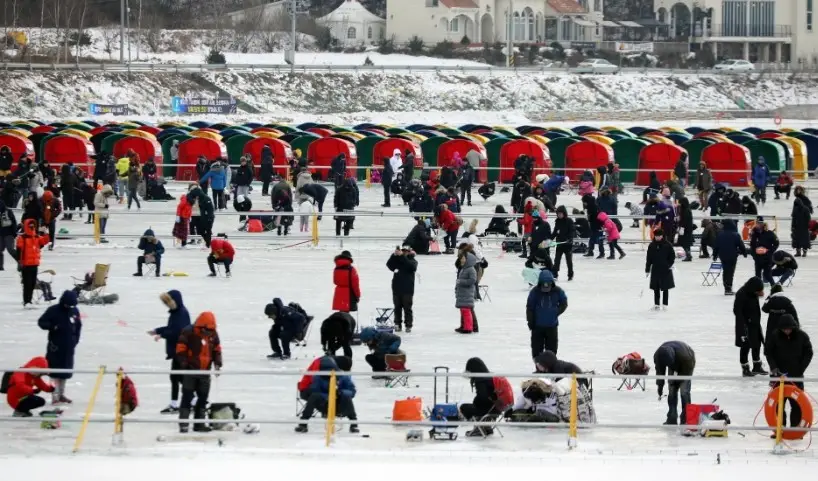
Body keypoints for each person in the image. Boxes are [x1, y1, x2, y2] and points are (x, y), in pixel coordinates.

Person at [175, 311, 222, 433]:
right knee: (187, 396)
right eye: (206, 330)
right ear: (200, 327)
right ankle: (183, 424)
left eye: (210, 331)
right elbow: (180, 349)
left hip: (205, 372)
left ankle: (199, 424)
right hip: (190, 371)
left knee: (202, 398)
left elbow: (217, 349)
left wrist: (217, 363)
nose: (208, 333)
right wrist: (184, 363)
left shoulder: (213, 334)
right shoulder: (188, 332)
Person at [765, 313, 813, 430]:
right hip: (779, 376)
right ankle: (779, 429)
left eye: (789, 329)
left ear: (793, 327)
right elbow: (768, 352)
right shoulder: (775, 336)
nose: (787, 331)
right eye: (784, 329)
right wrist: (774, 367)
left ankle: (795, 430)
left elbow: (809, 352)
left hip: (796, 376)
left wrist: (801, 367)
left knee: (796, 404)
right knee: (778, 404)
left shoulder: (802, 336)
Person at [148, 290, 191, 414]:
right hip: (177, 351)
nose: (168, 305)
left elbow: (177, 332)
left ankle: (179, 403)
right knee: (178, 378)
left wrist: (161, 334)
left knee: (177, 378)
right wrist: (157, 330)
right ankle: (187, 401)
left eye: (169, 302)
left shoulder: (181, 313)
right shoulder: (176, 313)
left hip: (180, 351)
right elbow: (171, 328)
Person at [38, 290, 81, 405]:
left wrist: (75, 341)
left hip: (69, 348)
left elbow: (78, 327)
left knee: (65, 372)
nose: (69, 307)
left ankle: (61, 394)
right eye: (67, 304)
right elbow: (41, 322)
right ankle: (55, 396)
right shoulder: (53, 310)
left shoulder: (74, 311)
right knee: (55, 372)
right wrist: (53, 327)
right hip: (55, 347)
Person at [295, 356, 358, 433]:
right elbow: (314, 390)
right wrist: (328, 394)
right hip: (325, 404)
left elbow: (352, 391)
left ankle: (354, 424)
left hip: (339, 404)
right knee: (314, 396)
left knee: (346, 396)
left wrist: (340, 392)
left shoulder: (343, 377)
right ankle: (303, 423)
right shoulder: (318, 377)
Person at [460, 357, 509, 437]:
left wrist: (475, 402)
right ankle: (486, 427)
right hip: (496, 409)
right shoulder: (490, 377)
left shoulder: (480, 380)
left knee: (464, 407)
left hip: (486, 410)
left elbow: (483, 397)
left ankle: (479, 429)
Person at [526, 270, 568, 358]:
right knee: (536, 350)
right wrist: (530, 321)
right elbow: (530, 307)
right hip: (537, 327)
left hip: (552, 326)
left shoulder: (558, 291)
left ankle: (550, 370)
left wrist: (556, 312)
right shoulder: (535, 292)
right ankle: (539, 369)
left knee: (552, 351)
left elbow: (564, 302)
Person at [654, 341, 695, 425]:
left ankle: (686, 418)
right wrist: (660, 386)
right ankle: (672, 418)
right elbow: (660, 372)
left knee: (684, 392)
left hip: (687, 362)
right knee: (672, 390)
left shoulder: (685, 357)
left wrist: (677, 381)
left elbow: (685, 373)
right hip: (675, 363)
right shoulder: (658, 356)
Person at [733, 276, 767, 377]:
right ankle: (745, 368)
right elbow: (737, 311)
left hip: (755, 323)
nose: (759, 292)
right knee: (745, 346)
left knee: (757, 344)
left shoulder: (753, 293)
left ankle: (757, 366)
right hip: (745, 325)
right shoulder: (741, 294)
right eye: (758, 291)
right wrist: (744, 324)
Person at [17, 219, 50, 307]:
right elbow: (19, 251)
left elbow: (44, 241)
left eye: (33, 226)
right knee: (27, 284)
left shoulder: (36, 237)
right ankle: (26, 301)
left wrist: (45, 233)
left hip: (34, 264)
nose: (32, 227)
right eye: (30, 226)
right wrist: (20, 262)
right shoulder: (22, 238)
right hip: (26, 265)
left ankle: (29, 300)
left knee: (32, 284)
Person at [387, 246, 417, 332]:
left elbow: (412, 267)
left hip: (407, 289)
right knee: (397, 307)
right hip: (397, 288)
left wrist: (402, 256)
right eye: (403, 251)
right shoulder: (398, 260)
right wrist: (394, 255)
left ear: (409, 252)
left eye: (406, 251)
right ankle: (397, 324)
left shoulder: (412, 261)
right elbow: (389, 264)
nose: (404, 253)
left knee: (407, 308)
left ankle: (408, 325)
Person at [712, 220, 747, 295]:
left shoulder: (720, 234)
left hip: (723, 256)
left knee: (725, 271)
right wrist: (744, 252)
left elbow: (716, 246)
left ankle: (726, 287)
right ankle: (728, 288)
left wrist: (714, 255)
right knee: (730, 272)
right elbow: (741, 245)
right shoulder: (735, 235)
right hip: (732, 256)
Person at [762, 284, 799, 351]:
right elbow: (794, 314)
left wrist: (768, 297)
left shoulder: (770, 301)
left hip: (772, 324)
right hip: (785, 325)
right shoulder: (787, 301)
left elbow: (764, 309)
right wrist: (797, 325)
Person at [645, 228, 675, 310]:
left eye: (659, 236)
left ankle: (665, 304)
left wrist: (669, 265)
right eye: (656, 236)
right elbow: (649, 259)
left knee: (665, 287)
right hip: (655, 269)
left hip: (665, 269)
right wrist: (647, 269)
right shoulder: (651, 245)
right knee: (656, 287)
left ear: (662, 236)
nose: (658, 238)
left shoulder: (667, 245)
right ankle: (656, 304)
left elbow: (672, 256)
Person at [454, 245, 478, 334]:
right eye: (461, 259)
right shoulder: (464, 269)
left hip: (467, 294)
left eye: (463, 258)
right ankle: (464, 326)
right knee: (463, 310)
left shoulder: (471, 269)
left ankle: (468, 328)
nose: (461, 260)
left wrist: (461, 281)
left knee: (467, 311)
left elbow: (472, 280)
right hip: (463, 293)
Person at [750, 217, 779, 284]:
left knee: (767, 275)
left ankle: (774, 287)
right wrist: (754, 254)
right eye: (757, 223)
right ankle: (758, 290)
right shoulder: (754, 233)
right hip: (757, 258)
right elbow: (752, 245)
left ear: (763, 224)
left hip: (767, 258)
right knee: (757, 276)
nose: (758, 225)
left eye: (760, 223)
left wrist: (769, 252)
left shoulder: (769, 233)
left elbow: (776, 243)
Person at [0, 200, 18, 271]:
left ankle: (20, 261)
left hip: (9, 234)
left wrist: (14, 233)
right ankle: (0, 266)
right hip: (1, 234)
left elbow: (14, 222)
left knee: (10, 249)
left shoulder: (8, 211)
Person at [676, 197, 694, 262]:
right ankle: (688, 254)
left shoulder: (686, 210)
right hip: (687, 229)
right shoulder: (686, 209)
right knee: (686, 243)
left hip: (685, 230)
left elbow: (685, 221)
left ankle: (688, 255)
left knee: (685, 243)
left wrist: (681, 227)